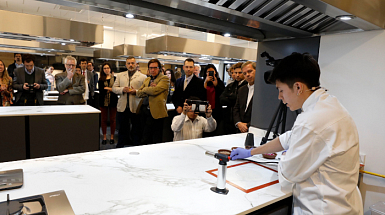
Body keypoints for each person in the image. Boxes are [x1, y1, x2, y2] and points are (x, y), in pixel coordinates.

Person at [231, 53, 363, 215]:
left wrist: (287, 155)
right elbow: (288, 138)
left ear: (298, 87)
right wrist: (252, 151)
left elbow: (288, 174)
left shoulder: (311, 121)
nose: (280, 97)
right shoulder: (329, 104)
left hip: (322, 208)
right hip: (345, 203)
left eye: (281, 90)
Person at [112, 56, 146, 148]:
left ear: (136, 64)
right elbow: (114, 89)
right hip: (122, 107)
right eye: (129, 63)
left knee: (136, 129)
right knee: (122, 129)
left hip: (135, 107)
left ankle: (136, 148)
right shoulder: (119, 75)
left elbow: (145, 91)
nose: (131, 65)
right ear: (126, 64)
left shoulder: (143, 77)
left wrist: (136, 92)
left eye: (132, 63)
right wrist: (123, 89)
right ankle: (120, 147)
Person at [137, 58, 169, 145]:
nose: (153, 70)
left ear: (159, 68)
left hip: (157, 112)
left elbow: (155, 91)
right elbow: (139, 93)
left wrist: (147, 89)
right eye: (151, 68)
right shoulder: (147, 80)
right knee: (144, 136)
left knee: (156, 138)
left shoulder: (164, 79)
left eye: (155, 68)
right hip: (144, 111)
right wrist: (150, 89)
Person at [220, 62, 247, 134]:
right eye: (235, 73)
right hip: (228, 118)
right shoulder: (231, 85)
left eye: (240, 73)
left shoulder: (247, 86)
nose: (237, 75)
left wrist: (230, 98)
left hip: (241, 119)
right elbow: (221, 99)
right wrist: (232, 99)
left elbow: (239, 101)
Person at [202, 64, 225, 135]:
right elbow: (200, 94)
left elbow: (223, 94)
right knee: (205, 129)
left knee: (217, 130)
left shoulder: (220, 82)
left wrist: (216, 85)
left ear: (215, 72)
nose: (210, 73)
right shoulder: (202, 82)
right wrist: (205, 83)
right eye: (208, 72)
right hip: (204, 110)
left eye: (212, 71)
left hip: (216, 110)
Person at [233, 61, 256, 133]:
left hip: (255, 129)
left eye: (250, 71)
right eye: (245, 73)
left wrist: (248, 125)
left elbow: (264, 112)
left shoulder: (262, 90)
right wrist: (238, 123)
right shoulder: (241, 89)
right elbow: (236, 108)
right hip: (240, 129)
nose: (247, 75)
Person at [98, 63, 118, 145]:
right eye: (105, 68)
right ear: (103, 70)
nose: (106, 69)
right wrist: (112, 89)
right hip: (103, 101)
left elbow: (116, 90)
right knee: (104, 120)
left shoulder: (115, 79)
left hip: (113, 101)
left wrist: (108, 88)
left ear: (110, 69)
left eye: (108, 68)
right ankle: (105, 137)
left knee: (113, 119)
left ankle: (112, 137)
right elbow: (101, 91)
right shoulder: (101, 79)